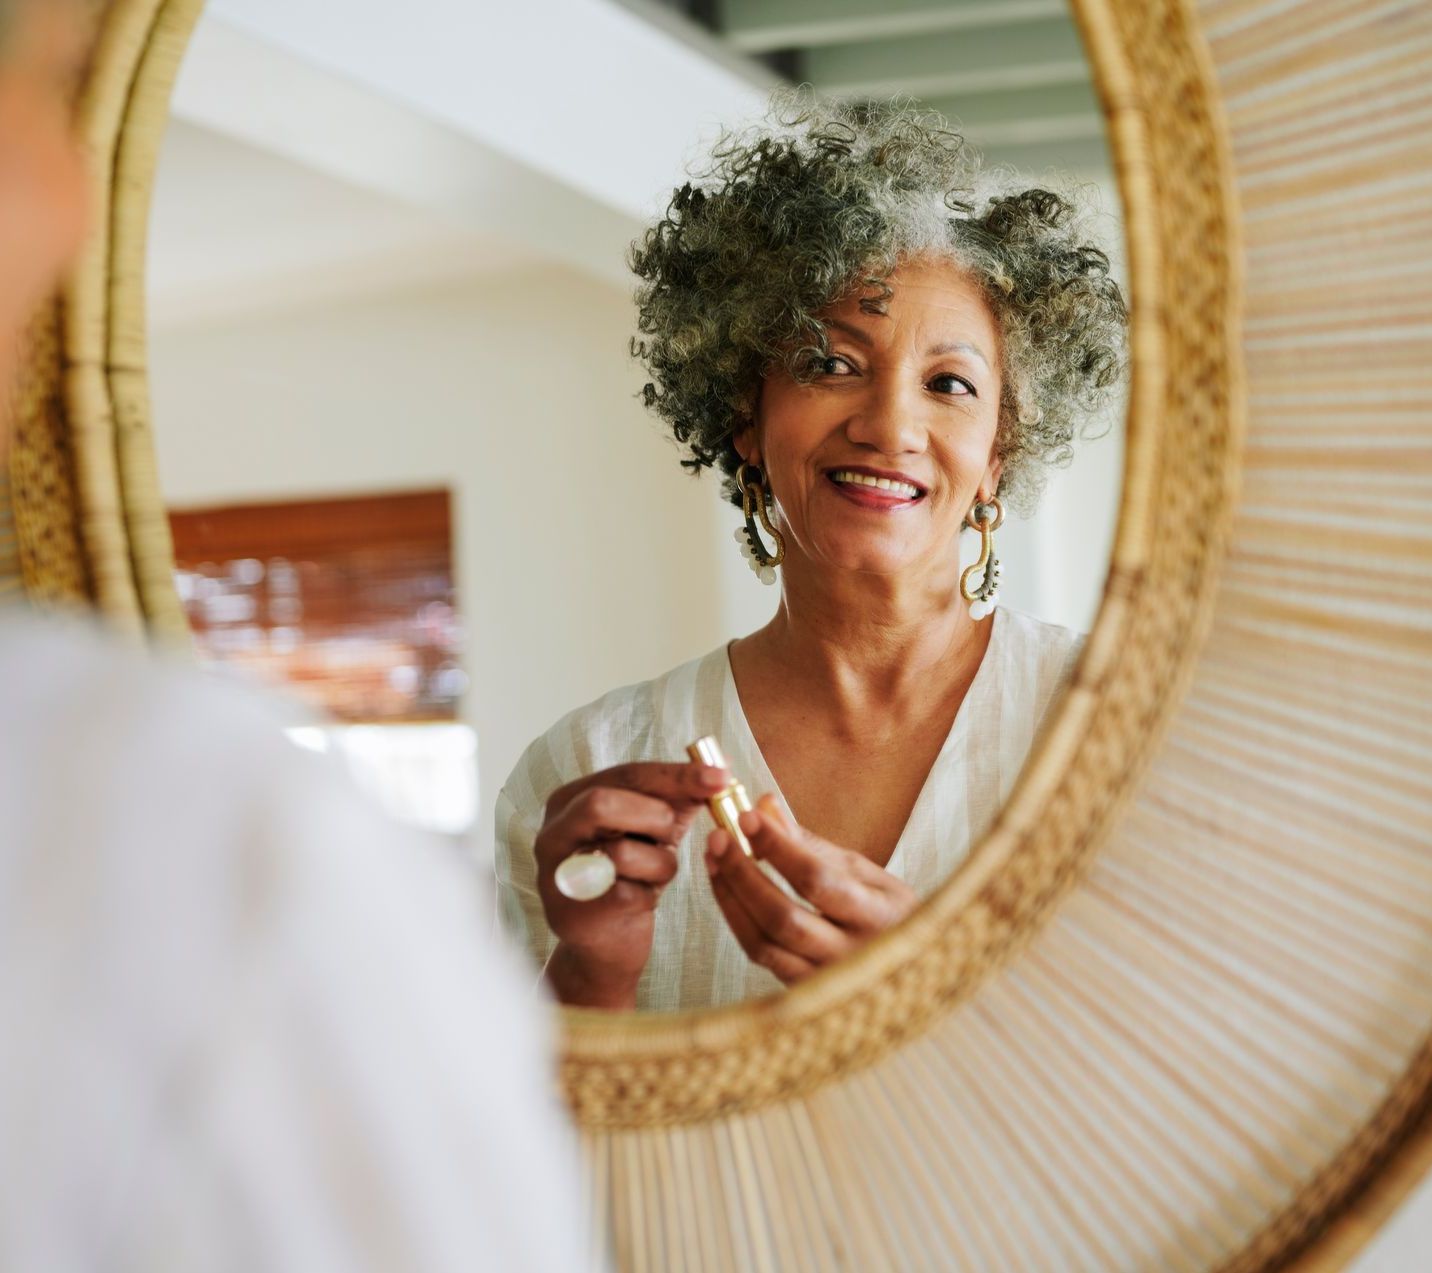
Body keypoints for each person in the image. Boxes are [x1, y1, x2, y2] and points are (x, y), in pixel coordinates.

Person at [0, 2, 592, 1268]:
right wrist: (595, 962)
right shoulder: (211, 846)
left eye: (949, 382)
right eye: (48, 86)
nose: (76, 201)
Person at [497, 95, 1128, 1012]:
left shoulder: (1115, 726)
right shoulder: (585, 764)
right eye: (831, 363)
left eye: (949, 384)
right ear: (746, 418)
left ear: (999, 456)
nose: (889, 425)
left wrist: (933, 991)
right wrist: (590, 974)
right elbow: (506, 1141)